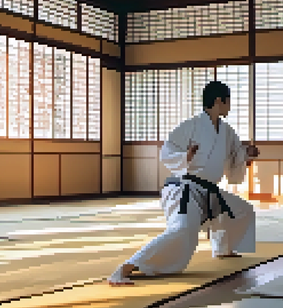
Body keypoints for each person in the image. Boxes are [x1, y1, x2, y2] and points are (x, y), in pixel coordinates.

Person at [108, 80, 260, 286]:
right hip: (183, 189)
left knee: (242, 210)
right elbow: (166, 152)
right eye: (228, 101)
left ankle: (223, 248)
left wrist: (247, 155)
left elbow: (236, 156)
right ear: (218, 101)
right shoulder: (191, 126)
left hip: (209, 190)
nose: (230, 106)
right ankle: (126, 267)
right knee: (181, 231)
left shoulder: (226, 131)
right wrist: (186, 156)